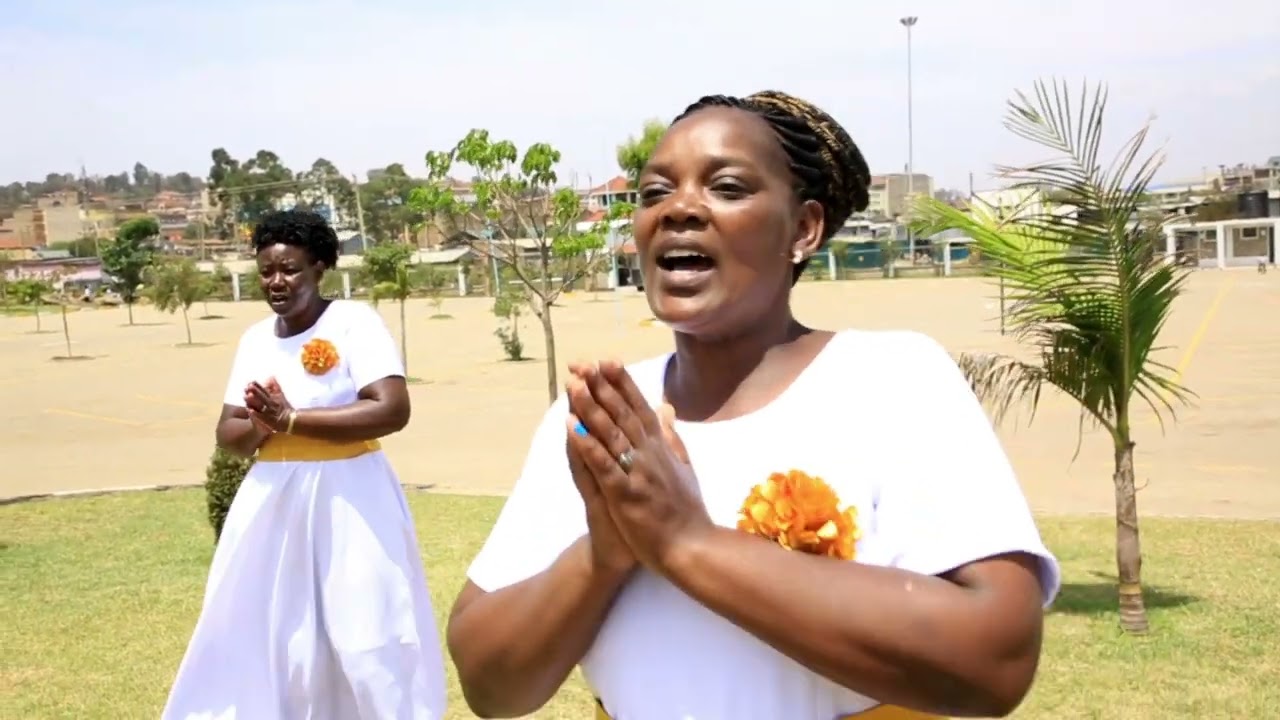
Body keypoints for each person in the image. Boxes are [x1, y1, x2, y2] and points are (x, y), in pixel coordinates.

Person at [447, 91, 1060, 720]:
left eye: (728, 188)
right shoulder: (600, 417)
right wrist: (605, 554)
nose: (678, 209)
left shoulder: (891, 378)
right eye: (655, 192)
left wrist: (686, 542)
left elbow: (995, 661)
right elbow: (491, 687)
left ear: (803, 228)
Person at [163, 210, 446, 720]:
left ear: (319, 267)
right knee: (270, 629)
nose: (276, 282)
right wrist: (265, 425)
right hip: (273, 503)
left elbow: (390, 408)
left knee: (368, 629)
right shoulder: (255, 340)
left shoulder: (353, 323)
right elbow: (230, 434)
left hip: (352, 495)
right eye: (266, 271)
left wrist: (292, 418)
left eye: (289, 269)